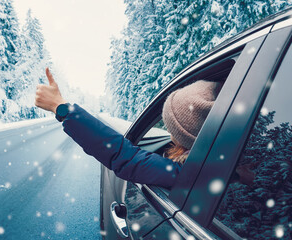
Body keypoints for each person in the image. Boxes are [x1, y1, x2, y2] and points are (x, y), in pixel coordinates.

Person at [35, 68, 222, 188]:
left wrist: (61, 108)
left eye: (172, 129)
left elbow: (124, 156)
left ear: (188, 135)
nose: (169, 135)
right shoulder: (221, 166)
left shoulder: (189, 172)